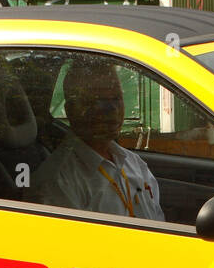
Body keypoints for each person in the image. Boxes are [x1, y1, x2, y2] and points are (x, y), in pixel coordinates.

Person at [34, 59, 163, 220]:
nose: (112, 109)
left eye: (116, 99)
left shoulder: (134, 163)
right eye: (97, 100)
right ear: (71, 110)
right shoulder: (58, 182)